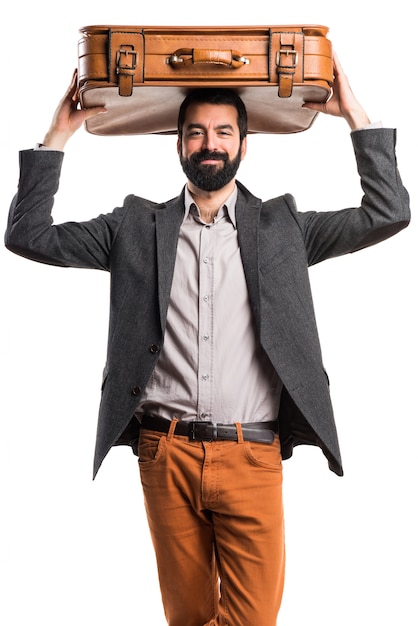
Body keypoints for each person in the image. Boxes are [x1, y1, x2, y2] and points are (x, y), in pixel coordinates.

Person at [5, 51, 410, 626]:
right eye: (196, 133)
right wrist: (57, 137)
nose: (210, 143)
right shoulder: (134, 227)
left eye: (224, 131)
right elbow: (29, 236)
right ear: (179, 145)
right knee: (188, 619)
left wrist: (355, 116)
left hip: (252, 454)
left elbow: (388, 212)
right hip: (164, 453)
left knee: (252, 618)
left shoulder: (285, 227)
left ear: (245, 144)